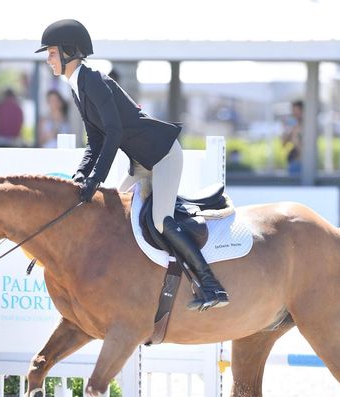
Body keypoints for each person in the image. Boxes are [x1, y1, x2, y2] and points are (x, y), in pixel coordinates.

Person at [36, 19, 228, 311]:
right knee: (114, 211)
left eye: (51, 52)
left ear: (69, 51)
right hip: (140, 163)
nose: (48, 59)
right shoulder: (78, 86)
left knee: (161, 220)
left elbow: (113, 132)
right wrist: (81, 175)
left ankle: (211, 285)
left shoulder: (93, 80)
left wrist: (95, 179)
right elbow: (95, 139)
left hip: (162, 155)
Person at [281, 100, 303, 175]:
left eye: (297, 111)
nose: (294, 114)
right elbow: (283, 144)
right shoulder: (292, 124)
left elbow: (303, 151)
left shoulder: (307, 126)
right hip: (292, 161)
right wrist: (287, 131)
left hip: (302, 163)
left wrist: (296, 133)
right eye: (293, 111)